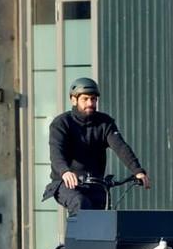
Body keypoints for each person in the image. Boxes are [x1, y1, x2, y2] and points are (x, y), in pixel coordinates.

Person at [42, 77, 150, 215]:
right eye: (85, 99)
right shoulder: (62, 123)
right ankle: (76, 237)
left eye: (93, 99)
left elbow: (121, 147)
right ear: (74, 100)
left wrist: (137, 170)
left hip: (95, 184)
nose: (90, 103)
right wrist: (65, 171)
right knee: (80, 203)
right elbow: (56, 153)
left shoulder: (104, 123)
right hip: (66, 183)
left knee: (104, 217)